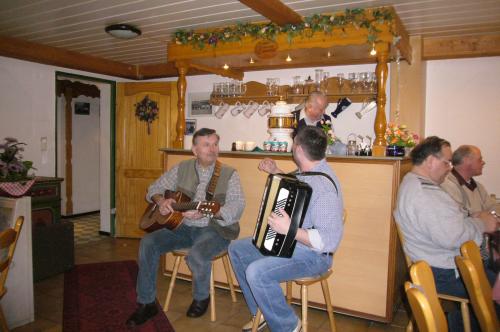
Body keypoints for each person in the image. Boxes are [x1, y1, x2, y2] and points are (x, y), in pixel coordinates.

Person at [126, 128, 245, 327]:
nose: (212, 149)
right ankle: (146, 303)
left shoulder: (229, 174)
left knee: (197, 255)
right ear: (194, 150)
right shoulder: (182, 168)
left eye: (215, 144)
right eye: (206, 145)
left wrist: (208, 212)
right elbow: (153, 189)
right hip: (182, 226)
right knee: (148, 242)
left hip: (214, 229)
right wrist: (161, 201)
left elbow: (237, 206)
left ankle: (201, 297)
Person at [228, 126, 344, 332]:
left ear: (298, 149)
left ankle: (289, 326)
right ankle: (261, 311)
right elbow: (300, 184)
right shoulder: (309, 171)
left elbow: (328, 242)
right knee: (237, 249)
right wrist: (276, 171)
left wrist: (290, 230)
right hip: (294, 244)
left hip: (314, 256)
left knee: (257, 272)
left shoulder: (324, 187)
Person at [394, 136, 498, 332]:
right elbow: (454, 238)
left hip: (437, 264)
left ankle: (458, 322)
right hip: (443, 273)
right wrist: (481, 224)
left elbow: (447, 223)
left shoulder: (414, 181)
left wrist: (470, 216)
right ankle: (458, 325)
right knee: (495, 292)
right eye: (447, 162)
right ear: (431, 161)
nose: (450, 167)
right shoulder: (426, 195)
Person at [441, 145, 500, 264]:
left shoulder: (477, 186)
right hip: (466, 251)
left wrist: (488, 215)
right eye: (480, 159)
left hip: (482, 243)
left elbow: (494, 208)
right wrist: (485, 217)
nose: (483, 162)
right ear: (467, 161)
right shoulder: (447, 185)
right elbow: (463, 219)